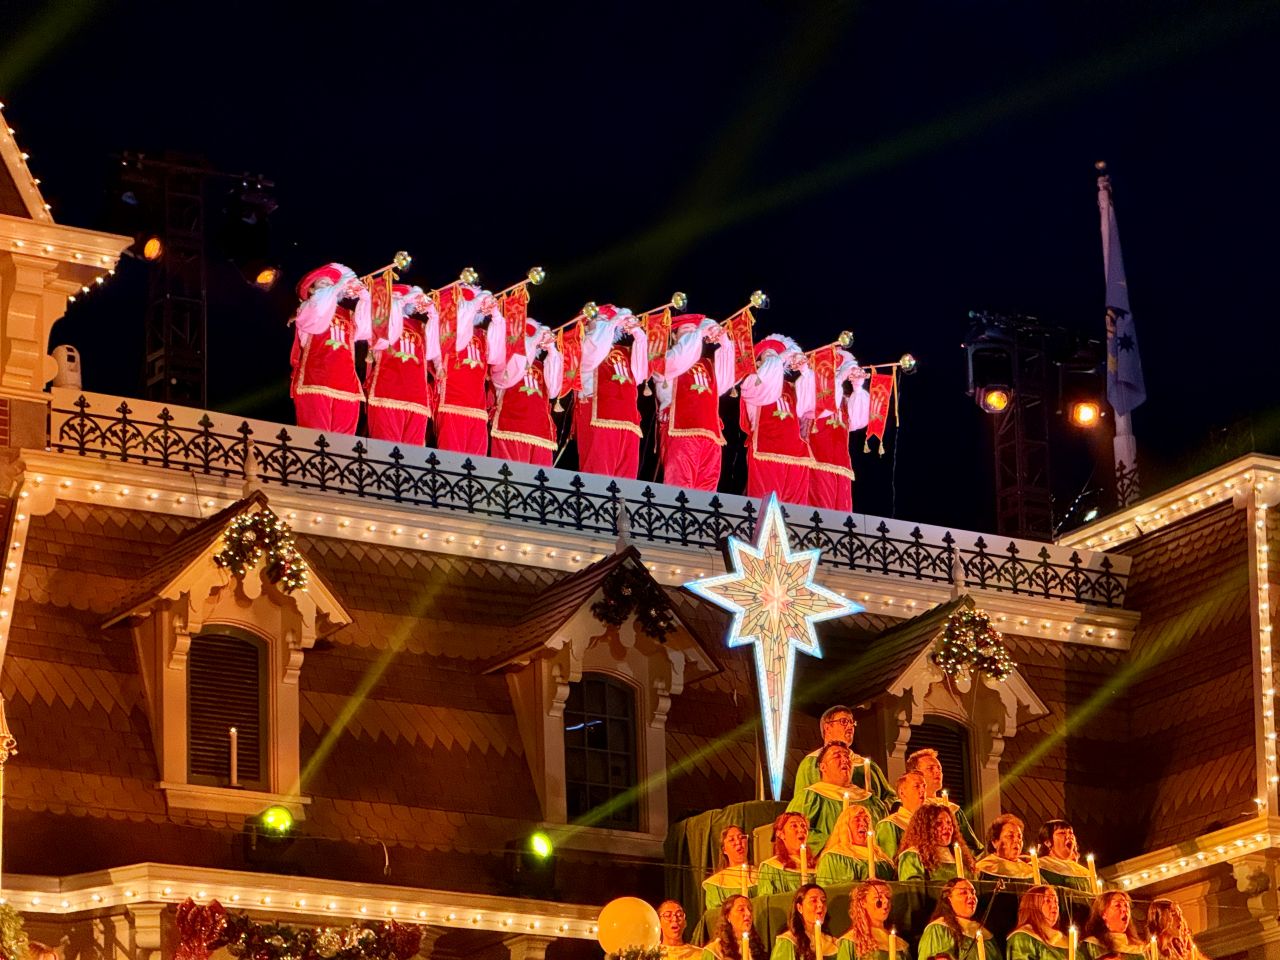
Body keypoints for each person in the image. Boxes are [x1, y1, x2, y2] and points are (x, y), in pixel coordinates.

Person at [655, 315, 736, 490]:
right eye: (686, 330)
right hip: (680, 431)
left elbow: (727, 381)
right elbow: (680, 359)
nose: (692, 333)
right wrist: (699, 332)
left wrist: (725, 343)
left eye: (693, 330)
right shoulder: (665, 357)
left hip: (710, 435)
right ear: (674, 336)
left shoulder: (708, 364)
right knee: (679, 488)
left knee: (707, 494)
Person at [289, 263, 370, 434]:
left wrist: (365, 298)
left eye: (330, 284)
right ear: (311, 290)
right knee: (316, 440)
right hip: (316, 381)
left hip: (347, 385)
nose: (329, 286)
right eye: (322, 283)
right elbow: (318, 314)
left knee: (345, 445)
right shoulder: (306, 308)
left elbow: (367, 330)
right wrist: (340, 284)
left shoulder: (348, 315)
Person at [738, 334, 815, 505]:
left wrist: (804, 371)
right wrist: (781, 357)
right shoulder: (751, 381)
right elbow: (765, 380)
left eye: (776, 354)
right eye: (768, 355)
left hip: (795, 454)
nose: (774, 358)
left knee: (795, 513)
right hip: (766, 452)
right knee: (765, 508)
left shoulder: (792, 387)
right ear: (757, 363)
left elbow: (810, 408)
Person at [574, 304, 648, 478]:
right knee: (599, 474)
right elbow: (594, 352)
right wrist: (613, 321)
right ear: (585, 325)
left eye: (605, 319)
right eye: (598, 319)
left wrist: (638, 334)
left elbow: (641, 373)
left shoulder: (624, 351)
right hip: (598, 414)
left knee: (627, 477)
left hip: (628, 418)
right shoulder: (582, 345)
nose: (603, 323)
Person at [433, 283, 507, 456]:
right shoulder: (445, 329)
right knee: (450, 460)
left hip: (478, 408)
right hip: (451, 403)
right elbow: (458, 338)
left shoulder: (481, 334)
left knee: (476, 465)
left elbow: (495, 356)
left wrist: (496, 317)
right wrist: (476, 302)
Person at [365, 283, 435, 446]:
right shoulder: (379, 321)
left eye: (401, 298)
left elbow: (434, 352)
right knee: (385, 449)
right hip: (387, 393)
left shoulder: (421, 327)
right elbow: (378, 339)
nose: (398, 302)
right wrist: (402, 301)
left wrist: (433, 314)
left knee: (413, 456)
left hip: (416, 398)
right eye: (394, 298)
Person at [788, 743, 886, 855]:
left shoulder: (870, 800)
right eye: (837, 756)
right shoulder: (810, 797)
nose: (845, 760)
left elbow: (885, 836)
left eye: (847, 756)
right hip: (829, 863)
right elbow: (795, 832)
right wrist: (836, 844)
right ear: (823, 767)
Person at [490, 318, 564, 466]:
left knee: (540, 484)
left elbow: (554, 391)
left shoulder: (541, 366)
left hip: (541, 433)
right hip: (510, 430)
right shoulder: (505, 361)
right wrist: (534, 340)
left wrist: (551, 351)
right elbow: (514, 368)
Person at [794, 706, 896, 808]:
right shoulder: (811, 763)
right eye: (844, 721)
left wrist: (879, 808)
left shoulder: (868, 765)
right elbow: (804, 803)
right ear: (827, 728)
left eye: (852, 722)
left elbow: (891, 796)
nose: (850, 726)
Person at [807, 349, 870, 512]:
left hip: (841, 465)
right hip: (817, 462)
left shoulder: (844, 400)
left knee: (842, 520)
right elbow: (822, 406)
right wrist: (840, 377)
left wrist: (857, 387)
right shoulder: (810, 393)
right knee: (819, 514)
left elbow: (858, 421)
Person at [905, 748, 982, 854]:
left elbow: (972, 846)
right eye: (930, 768)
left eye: (939, 769)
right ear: (915, 774)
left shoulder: (953, 810)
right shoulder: (906, 809)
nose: (937, 772)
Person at [917, 878, 1002, 960]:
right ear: (948, 899)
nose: (971, 896)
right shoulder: (938, 930)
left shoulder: (985, 933)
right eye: (963, 892)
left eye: (973, 893)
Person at [817, 805, 895, 886]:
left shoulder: (882, 860)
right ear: (845, 826)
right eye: (857, 819)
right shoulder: (833, 858)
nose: (863, 824)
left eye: (866, 819)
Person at [896, 803, 974, 883]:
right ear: (925, 828)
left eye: (949, 822)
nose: (947, 827)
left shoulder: (961, 856)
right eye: (939, 823)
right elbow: (913, 890)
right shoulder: (913, 856)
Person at [837, 880, 911, 960]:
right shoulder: (850, 941)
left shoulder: (899, 944)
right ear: (863, 902)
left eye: (888, 897)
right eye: (879, 897)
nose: (886, 901)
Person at [771, 884, 839, 959]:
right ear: (800, 908)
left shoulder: (832, 942)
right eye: (813, 900)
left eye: (823, 900)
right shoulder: (788, 942)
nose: (821, 904)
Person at [704, 824, 760, 912]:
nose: (738, 842)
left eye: (742, 837)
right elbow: (715, 916)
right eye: (731, 840)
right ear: (724, 850)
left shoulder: (761, 874)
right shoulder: (716, 883)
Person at [1007, 886, 1070, 960]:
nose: (1054, 906)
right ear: (1033, 905)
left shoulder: (1064, 939)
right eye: (1048, 901)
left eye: (1056, 901)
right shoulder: (1022, 938)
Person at [758, 812, 814, 896]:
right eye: (794, 826)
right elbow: (766, 902)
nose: (801, 830)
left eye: (803, 826)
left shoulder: (818, 866)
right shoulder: (771, 867)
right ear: (781, 834)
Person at [875, 771, 926, 862]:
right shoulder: (890, 825)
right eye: (916, 786)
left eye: (924, 786)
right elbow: (890, 861)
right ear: (902, 793)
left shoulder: (930, 823)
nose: (922, 790)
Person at [701, 894, 767, 960]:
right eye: (741, 909)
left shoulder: (756, 948)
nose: (748, 913)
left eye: (750, 909)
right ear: (728, 916)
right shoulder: (714, 951)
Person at [1037, 820, 1093, 893]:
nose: (1068, 836)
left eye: (1071, 833)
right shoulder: (1039, 866)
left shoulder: (1085, 873)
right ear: (1048, 842)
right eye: (1062, 833)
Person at [1083, 892, 1145, 958]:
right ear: (1103, 913)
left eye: (1126, 905)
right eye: (1118, 905)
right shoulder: (1089, 946)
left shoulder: (1138, 949)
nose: (1124, 909)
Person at [975, 814, 1036, 881]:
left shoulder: (1030, 872)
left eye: (1019, 837)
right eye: (1010, 836)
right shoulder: (981, 869)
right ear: (995, 842)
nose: (1016, 840)